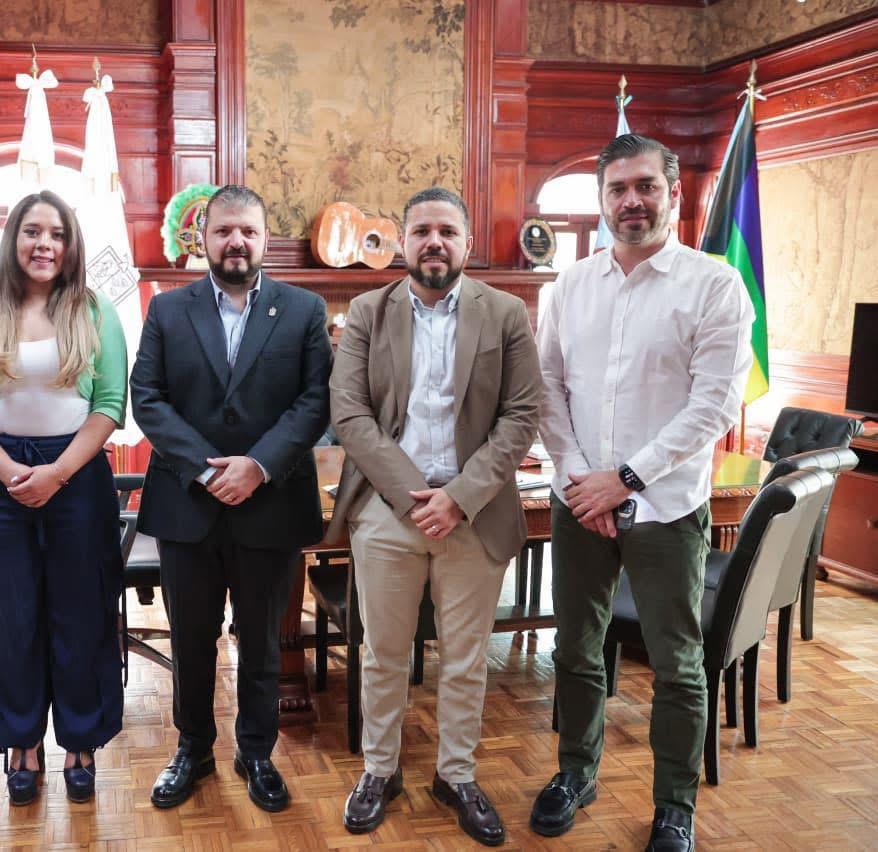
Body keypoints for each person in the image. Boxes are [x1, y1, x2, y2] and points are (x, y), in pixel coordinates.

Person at [531, 134, 753, 852]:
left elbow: (714, 405)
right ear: (602, 199)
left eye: (645, 186)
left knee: (677, 665)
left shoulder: (715, 285)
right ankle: (575, 773)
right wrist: (582, 482)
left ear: (673, 192)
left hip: (665, 508)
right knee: (575, 649)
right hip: (579, 505)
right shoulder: (568, 287)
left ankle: (673, 807)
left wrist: (623, 480)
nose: (632, 200)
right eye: (618, 188)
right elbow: (547, 390)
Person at [327, 187, 541, 844]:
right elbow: (350, 414)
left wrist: (459, 497)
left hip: (474, 511)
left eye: (447, 231)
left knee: (467, 658)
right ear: (403, 242)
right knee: (383, 654)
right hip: (390, 511)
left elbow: (522, 415)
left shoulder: (505, 313)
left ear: (467, 243)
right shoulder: (368, 313)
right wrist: (414, 495)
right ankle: (380, 770)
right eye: (421, 230)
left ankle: (456, 775)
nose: (434, 242)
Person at [131, 184, 331, 813]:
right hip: (187, 508)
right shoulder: (169, 310)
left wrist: (258, 466)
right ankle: (192, 749)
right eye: (223, 231)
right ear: (204, 239)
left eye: (247, 230)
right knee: (191, 641)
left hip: (270, 506)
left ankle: (257, 752)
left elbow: (315, 401)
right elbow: (147, 398)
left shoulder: (303, 310)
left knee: (263, 643)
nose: (236, 241)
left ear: (264, 239)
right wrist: (205, 469)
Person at [0, 190, 127, 806]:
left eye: (57, 233)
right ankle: (21, 743)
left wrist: (57, 474)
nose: (44, 243)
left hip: (77, 475)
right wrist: (7, 471)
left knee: (82, 612)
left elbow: (110, 406)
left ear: (70, 245)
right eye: (32, 231)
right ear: (13, 240)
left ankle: (80, 743)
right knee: (9, 615)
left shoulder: (96, 311)